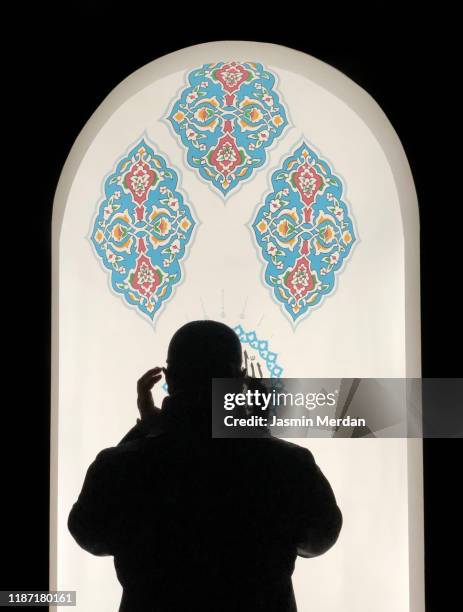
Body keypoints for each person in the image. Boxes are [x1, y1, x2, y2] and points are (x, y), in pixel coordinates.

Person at [68, 321, 342, 611]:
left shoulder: (118, 467)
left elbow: (88, 532)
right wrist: (255, 430)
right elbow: (320, 537)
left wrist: (146, 429)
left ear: (168, 379)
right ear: (239, 381)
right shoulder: (289, 465)